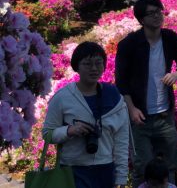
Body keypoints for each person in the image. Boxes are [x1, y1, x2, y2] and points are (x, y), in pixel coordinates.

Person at [116, 0, 177, 188]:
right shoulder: (129, 45)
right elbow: (121, 82)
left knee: (170, 166)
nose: (158, 16)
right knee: (142, 168)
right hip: (139, 117)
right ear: (141, 19)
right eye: (151, 13)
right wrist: (131, 109)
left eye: (159, 11)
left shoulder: (170, 38)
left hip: (165, 115)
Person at [42, 42, 129, 188]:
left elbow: (122, 139)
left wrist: (121, 177)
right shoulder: (63, 98)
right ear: (77, 66)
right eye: (87, 64)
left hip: (105, 170)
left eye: (98, 63)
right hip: (72, 171)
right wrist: (69, 131)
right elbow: (47, 134)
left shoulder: (114, 97)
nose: (94, 68)